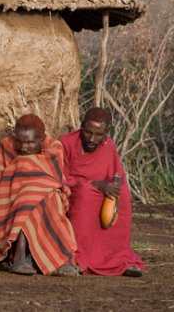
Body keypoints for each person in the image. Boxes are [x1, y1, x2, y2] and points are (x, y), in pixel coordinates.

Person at [0, 113, 79, 276]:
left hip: (47, 195)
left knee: (46, 199)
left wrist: (33, 186)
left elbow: (54, 179)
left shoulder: (54, 147)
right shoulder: (6, 146)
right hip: (12, 197)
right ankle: (20, 255)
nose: (23, 147)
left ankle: (59, 259)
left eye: (29, 142)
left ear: (41, 139)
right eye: (19, 141)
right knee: (26, 200)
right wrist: (22, 182)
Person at [60, 107, 146, 277]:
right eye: (88, 132)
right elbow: (61, 175)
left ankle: (116, 259)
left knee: (123, 198)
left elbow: (117, 175)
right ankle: (79, 258)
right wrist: (92, 183)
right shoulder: (66, 143)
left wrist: (112, 187)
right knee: (85, 193)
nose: (92, 139)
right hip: (75, 191)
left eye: (98, 134)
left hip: (103, 194)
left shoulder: (108, 146)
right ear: (81, 127)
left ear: (106, 133)